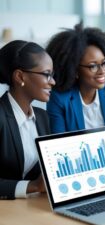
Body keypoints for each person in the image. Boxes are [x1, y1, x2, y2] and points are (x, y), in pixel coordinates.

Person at [46, 23, 105, 167]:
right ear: (75, 71)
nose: (102, 71)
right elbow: (60, 148)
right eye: (93, 66)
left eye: (104, 63)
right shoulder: (60, 99)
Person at [0, 40, 55, 199]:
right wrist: (32, 186)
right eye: (47, 74)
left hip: (33, 206)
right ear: (19, 76)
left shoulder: (42, 117)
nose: (53, 81)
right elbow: (35, 183)